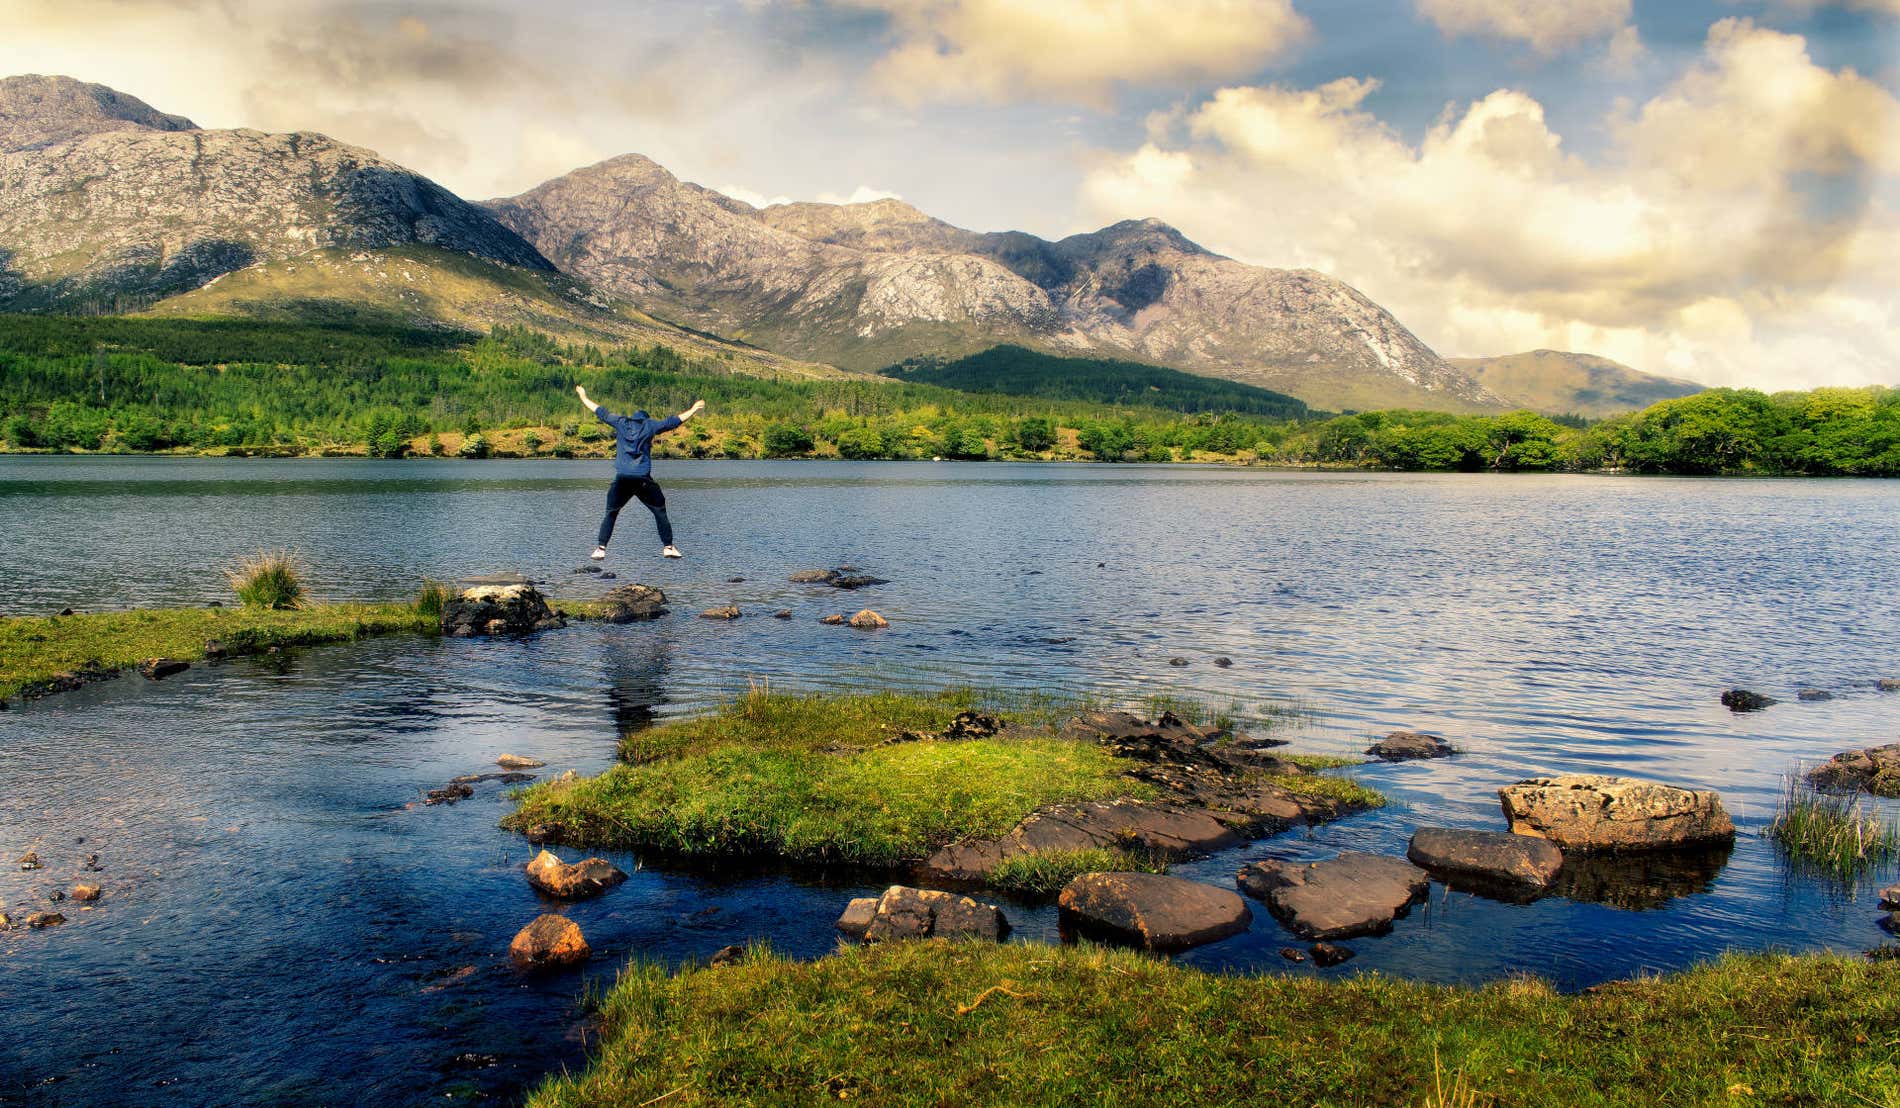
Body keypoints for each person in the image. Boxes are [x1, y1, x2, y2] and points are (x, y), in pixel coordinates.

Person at [575, 385, 704, 560]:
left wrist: (583, 396)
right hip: (642, 478)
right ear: (645, 419)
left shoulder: (621, 422)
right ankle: (668, 547)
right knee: (659, 510)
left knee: (611, 512)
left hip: (622, 478)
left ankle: (600, 548)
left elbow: (600, 411)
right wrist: (693, 409)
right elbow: (674, 421)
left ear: (632, 418)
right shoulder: (649, 426)